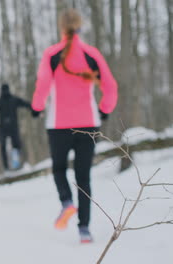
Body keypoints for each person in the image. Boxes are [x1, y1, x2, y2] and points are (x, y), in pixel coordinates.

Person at [31, 9, 118, 243]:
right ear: (80, 27)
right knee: (84, 177)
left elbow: (42, 86)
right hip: (88, 124)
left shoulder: (52, 54)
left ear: (61, 28)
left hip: (58, 126)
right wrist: (104, 110)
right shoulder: (91, 54)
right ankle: (84, 230)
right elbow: (110, 86)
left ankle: (66, 202)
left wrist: (37, 108)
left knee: (59, 168)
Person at [0, 84, 32, 171]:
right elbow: (25, 103)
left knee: (3, 146)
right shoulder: (14, 99)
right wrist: (34, 109)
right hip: (13, 126)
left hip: (3, 127)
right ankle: (16, 164)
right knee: (16, 144)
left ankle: (6, 167)